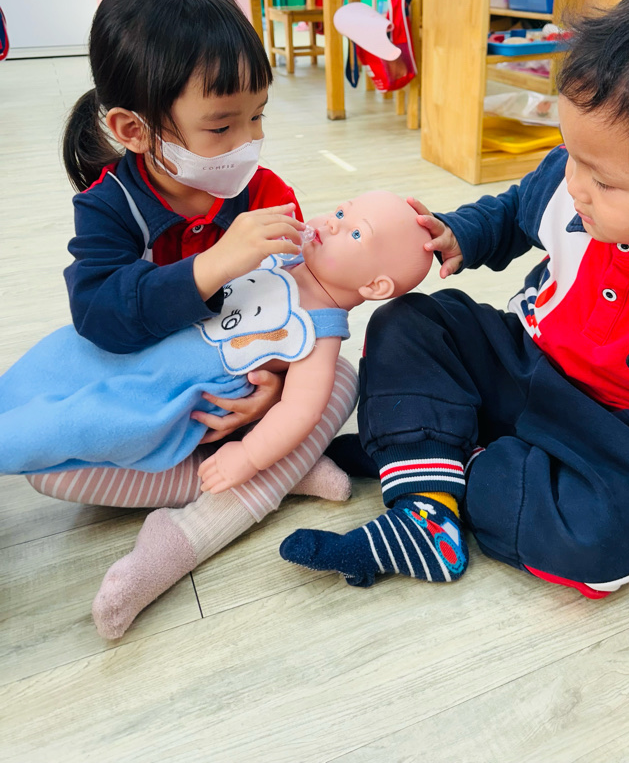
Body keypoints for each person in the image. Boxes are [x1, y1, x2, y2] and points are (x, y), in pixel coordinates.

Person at [279, 0, 629, 598]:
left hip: (620, 433)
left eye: (604, 181)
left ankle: (435, 454)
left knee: (606, 539)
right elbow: (516, 210)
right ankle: (427, 511)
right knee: (412, 321)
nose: (574, 184)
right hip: (521, 357)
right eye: (571, 153)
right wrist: (461, 233)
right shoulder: (576, 174)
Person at [25, 0, 357, 599]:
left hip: (245, 396)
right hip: (158, 398)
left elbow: (299, 310)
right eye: (222, 126)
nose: (251, 142)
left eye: (258, 116)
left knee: (341, 375)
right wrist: (214, 264)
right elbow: (98, 315)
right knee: (50, 470)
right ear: (134, 129)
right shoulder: (109, 207)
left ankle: (253, 471)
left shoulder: (266, 194)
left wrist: (274, 391)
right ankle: (272, 474)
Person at [5, 191, 433, 638]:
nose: (332, 222)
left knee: (79, 427)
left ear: (375, 288)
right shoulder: (280, 255)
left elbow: (299, 412)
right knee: (56, 369)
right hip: (148, 347)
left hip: (170, 396)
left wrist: (248, 456)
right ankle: (291, 473)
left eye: (355, 232)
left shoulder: (321, 333)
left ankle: (251, 483)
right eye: (341, 211)